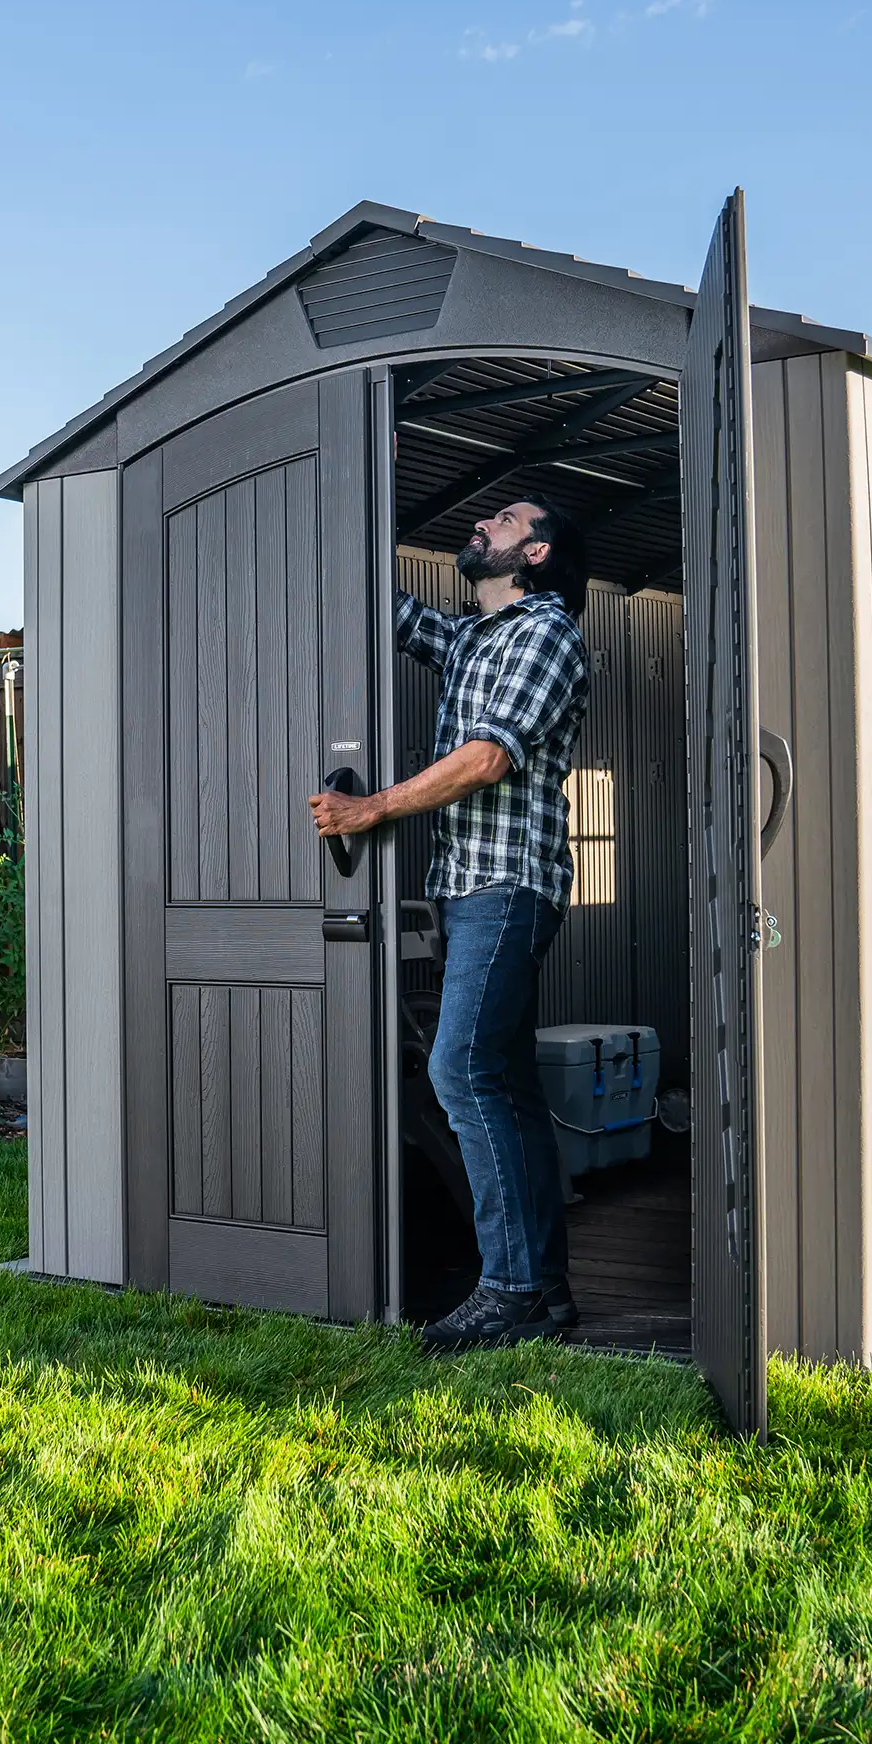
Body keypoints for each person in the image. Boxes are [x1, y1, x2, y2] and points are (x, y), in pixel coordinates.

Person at [309, 496, 590, 1352]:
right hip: (470, 887)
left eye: (501, 523)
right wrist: (327, 515)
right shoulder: (472, 639)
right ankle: (543, 1292)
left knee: (460, 1068)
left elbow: (488, 756)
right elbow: (384, 608)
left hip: (508, 885)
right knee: (503, 1084)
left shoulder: (548, 635)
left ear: (535, 552)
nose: (481, 527)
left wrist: (370, 811)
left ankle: (505, 1289)